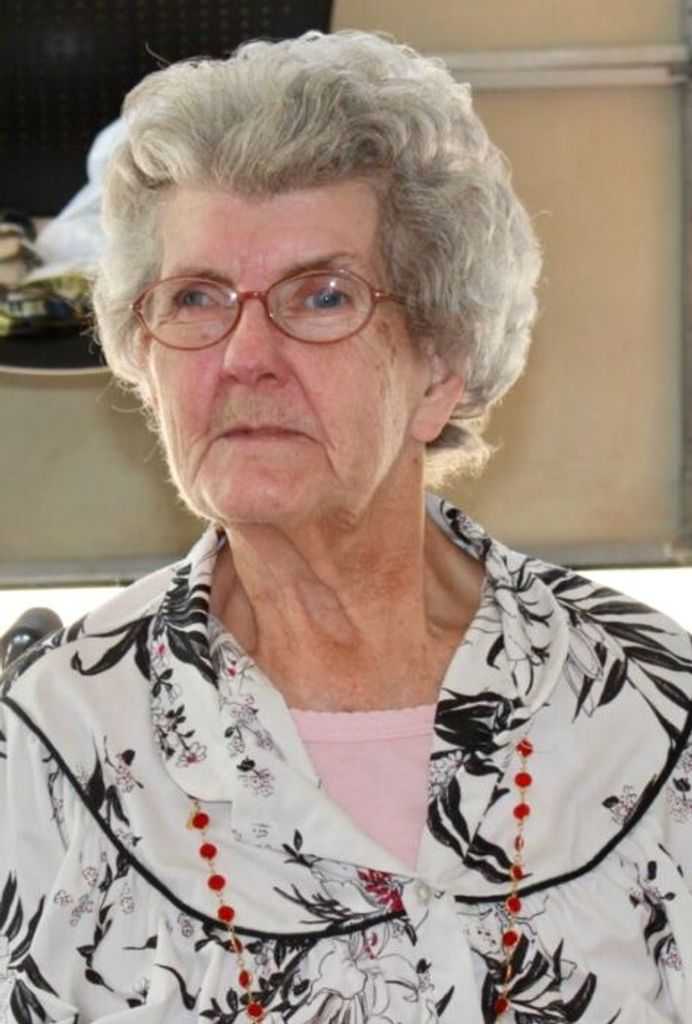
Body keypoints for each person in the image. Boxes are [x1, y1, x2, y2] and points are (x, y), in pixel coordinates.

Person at [1, 29, 691, 1024]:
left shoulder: (652, 712)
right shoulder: (53, 741)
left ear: (438, 365)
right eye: (195, 298)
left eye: (321, 296)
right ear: (146, 361)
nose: (243, 355)